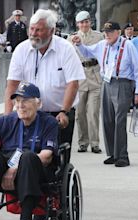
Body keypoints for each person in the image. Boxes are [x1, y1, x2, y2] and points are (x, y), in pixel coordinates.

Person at [0, 82, 59, 220]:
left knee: (28, 157)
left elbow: (47, 156)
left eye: (25, 101)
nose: (20, 105)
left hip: (35, 169)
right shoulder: (8, 120)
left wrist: (15, 168)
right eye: (17, 101)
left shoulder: (48, 123)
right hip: (6, 163)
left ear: (38, 104)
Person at [5, 9, 85, 151]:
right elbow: (12, 85)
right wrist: (7, 119)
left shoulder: (66, 49)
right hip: (29, 114)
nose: (33, 34)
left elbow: (73, 83)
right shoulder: (21, 50)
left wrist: (64, 111)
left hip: (58, 115)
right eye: (32, 29)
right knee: (27, 156)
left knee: (55, 158)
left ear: (51, 31)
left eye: (38, 30)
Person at [71, 21, 138, 167]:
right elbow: (87, 52)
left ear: (118, 32)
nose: (107, 34)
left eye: (110, 32)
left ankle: (122, 156)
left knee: (120, 120)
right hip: (106, 83)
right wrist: (79, 44)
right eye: (105, 32)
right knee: (107, 120)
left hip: (122, 83)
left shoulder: (127, 46)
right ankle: (112, 154)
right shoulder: (102, 44)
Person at [67, 11, 103, 153]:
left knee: (93, 112)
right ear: (77, 24)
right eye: (81, 22)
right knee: (80, 113)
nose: (84, 25)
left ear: (90, 22)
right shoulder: (71, 39)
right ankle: (83, 142)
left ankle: (95, 143)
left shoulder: (99, 36)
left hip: (95, 76)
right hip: (80, 78)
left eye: (86, 22)